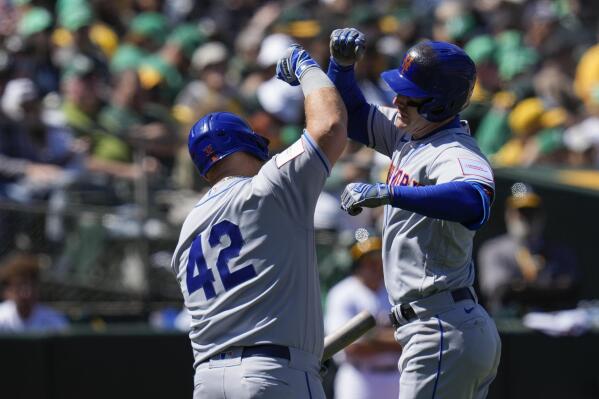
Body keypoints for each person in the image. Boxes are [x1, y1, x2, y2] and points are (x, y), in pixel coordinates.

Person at [328, 28, 501, 398]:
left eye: (410, 95)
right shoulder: (412, 131)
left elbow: (475, 202)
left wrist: (391, 194)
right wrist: (340, 67)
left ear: (439, 103)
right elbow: (354, 115)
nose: (398, 99)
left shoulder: (455, 151)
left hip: (441, 325)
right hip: (439, 327)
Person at [170, 44, 347, 399]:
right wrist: (308, 68)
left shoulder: (188, 227)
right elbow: (330, 125)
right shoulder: (268, 187)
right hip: (271, 371)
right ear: (248, 143)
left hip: (207, 381)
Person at [478, 182, 579, 315]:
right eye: (520, 211)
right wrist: (549, 288)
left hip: (552, 326)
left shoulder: (559, 252)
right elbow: (500, 291)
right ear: (508, 215)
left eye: (531, 211)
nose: (525, 217)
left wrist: (521, 288)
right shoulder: (493, 250)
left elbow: (570, 289)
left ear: (541, 216)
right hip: (506, 328)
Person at [325, 234, 402, 399]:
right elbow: (351, 347)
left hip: (398, 376)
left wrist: (371, 336)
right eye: (368, 261)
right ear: (357, 264)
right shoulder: (342, 293)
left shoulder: (395, 292)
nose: (375, 266)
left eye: (378, 259)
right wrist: (394, 337)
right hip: (359, 379)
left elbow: (413, 337)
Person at [0, 253, 69, 332]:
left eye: (31, 286)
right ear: (8, 290)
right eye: (19, 287)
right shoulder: (1, 317)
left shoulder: (54, 321)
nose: (26, 294)